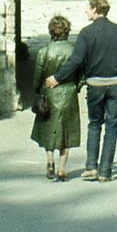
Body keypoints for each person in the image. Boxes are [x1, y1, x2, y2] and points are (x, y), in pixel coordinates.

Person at [46, 0, 117, 183]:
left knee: (95, 124)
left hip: (95, 86)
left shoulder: (86, 33)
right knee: (111, 127)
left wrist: (57, 78)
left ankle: (91, 167)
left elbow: (76, 61)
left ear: (95, 9)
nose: (86, 10)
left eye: (88, 7)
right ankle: (105, 171)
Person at [31, 15, 81, 181]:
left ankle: (49, 159)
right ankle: (61, 168)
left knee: (48, 130)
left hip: (50, 94)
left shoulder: (44, 51)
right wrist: (77, 87)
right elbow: (82, 73)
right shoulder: (74, 50)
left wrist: (38, 88)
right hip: (68, 93)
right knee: (66, 133)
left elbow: (38, 75)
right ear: (67, 30)